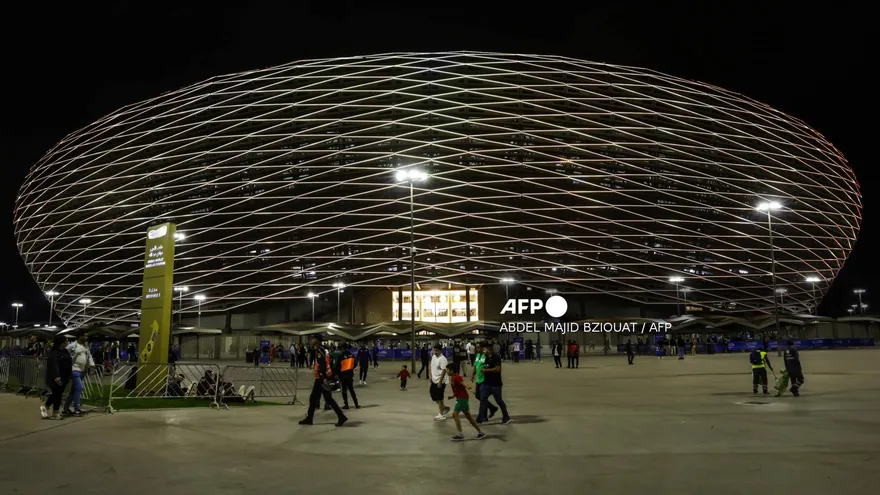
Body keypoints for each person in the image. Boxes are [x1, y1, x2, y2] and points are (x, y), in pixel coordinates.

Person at [299, 336, 348, 427]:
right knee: (327, 399)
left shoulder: (319, 351)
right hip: (322, 378)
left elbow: (322, 365)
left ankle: (310, 418)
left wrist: (323, 377)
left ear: (316, 341)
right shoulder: (323, 350)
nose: (312, 340)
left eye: (313, 339)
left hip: (321, 379)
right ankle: (341, 416)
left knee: (315, 398)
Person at [446, 363, 487, 441]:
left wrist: (468, 387)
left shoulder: (457, 377)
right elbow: (457, 389)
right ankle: (481, 432)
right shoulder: (452, 378)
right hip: (461, 397)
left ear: (451, 370)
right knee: (469, 417)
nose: (446, 371)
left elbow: (462, 383)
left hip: (462, 399)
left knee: (455, 414)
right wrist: (453, 396)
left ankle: (460, 434)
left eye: (447, 370)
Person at [63, 330, 94, 417]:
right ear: (80, 337)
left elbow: (89, 356)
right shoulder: (72, 346)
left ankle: (65, 409)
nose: (86, 338)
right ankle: (77, 409)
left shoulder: (86, 346)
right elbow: (65, 355)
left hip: (82, 371)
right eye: (85, 336)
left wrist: (91, 365)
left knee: (73, 391)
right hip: (74, 370)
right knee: (80, 388)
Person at [478, 344, 511, 424]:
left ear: (489, 349)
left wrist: (486, 371)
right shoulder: (485, 358)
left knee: (499, 400)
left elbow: (497, 369)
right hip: (486, 383)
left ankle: (506, 416)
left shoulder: (496, 357)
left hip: (495, 384)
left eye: (485, 349)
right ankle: (481, 418)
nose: (483, 351)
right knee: (482, 399)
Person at [42, 334, 72, 420]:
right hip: (56, 377)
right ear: (61, 342)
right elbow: (54, 365)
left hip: (65, 376)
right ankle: (55, 412)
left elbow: (69, 362)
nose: (67, 343)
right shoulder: (54, 352)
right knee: (57, 394)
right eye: (66, 341)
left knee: (57, 394)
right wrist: (57, 376)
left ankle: (46, 405)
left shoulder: (65, 351)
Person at [473, 343, 498, 423]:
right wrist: (472, 375)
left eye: (479, 347)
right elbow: (475, 365)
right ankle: (492, 408)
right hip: (478, 379)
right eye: (477, 348)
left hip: (484, 379)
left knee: (483, 398)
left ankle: (483, 416)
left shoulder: (486, 356)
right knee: (478, 396)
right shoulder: (477, 356)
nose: (478, 349)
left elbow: (489, 366)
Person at [429, 344, 451, 420]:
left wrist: (440, 382)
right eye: (434, 350)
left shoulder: (443, 359)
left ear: (440, 350)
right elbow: (431, 366)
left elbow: (444, 371)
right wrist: (430, 376)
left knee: (439, 398)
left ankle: (441, 415)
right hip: (434, 379)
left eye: (436, 350)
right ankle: (444, 407)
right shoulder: (434, 357)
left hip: (441, 381)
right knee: (433, 395)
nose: (435, 352)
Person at [336, 344, 359, 409]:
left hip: (343, 376)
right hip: (350, 375)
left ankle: (346, 405)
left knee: (344, 390)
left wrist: (338, 374)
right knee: (351, 390)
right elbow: (355, 364)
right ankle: (356, 404)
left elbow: (338, 367)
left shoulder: (341, 356)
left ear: (343, 348)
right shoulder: (352, 355)